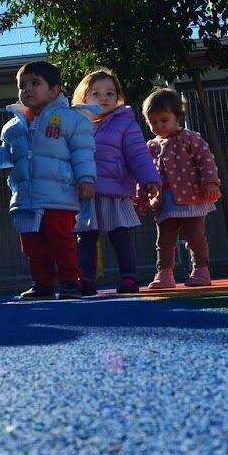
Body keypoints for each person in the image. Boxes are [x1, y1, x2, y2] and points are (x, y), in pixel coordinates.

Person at [0, 61, 97, 300]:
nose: (27, 89)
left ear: (54, 90)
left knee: (61, 240)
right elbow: (8, 157)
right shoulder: (13, 127)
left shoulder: (71, 119)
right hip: (26, 199)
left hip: (59, 198)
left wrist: (86, 179)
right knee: (32, 245)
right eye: (22, 85)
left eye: (34, 83)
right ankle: (42, 284)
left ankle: (70, 281)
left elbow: (82, 151)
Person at [71, 69, 161, 295]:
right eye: (96, 93)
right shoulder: (75, 125)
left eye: (110, 93)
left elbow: (138, 154)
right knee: (85, 237)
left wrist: (149, 178)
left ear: (118, 97)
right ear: (83, 98)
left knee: (119, 234)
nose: (104, 98)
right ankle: (86, 279)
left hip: (114, 190)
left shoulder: (124, 123)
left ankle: (129, 276)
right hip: (85, 191)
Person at [137, 87, 221, 288]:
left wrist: (210, 182)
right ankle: (164, 274)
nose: (159, 126)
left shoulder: (190, 138)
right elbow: (143, 173)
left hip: (191, 198)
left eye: (164, 120)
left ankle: (201, 271)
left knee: (195, 238)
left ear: (178, 116)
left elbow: (206, 161)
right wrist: (140, 198)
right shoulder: (151, 146)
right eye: (153, 122)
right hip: (164, 202)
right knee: (164, 241)